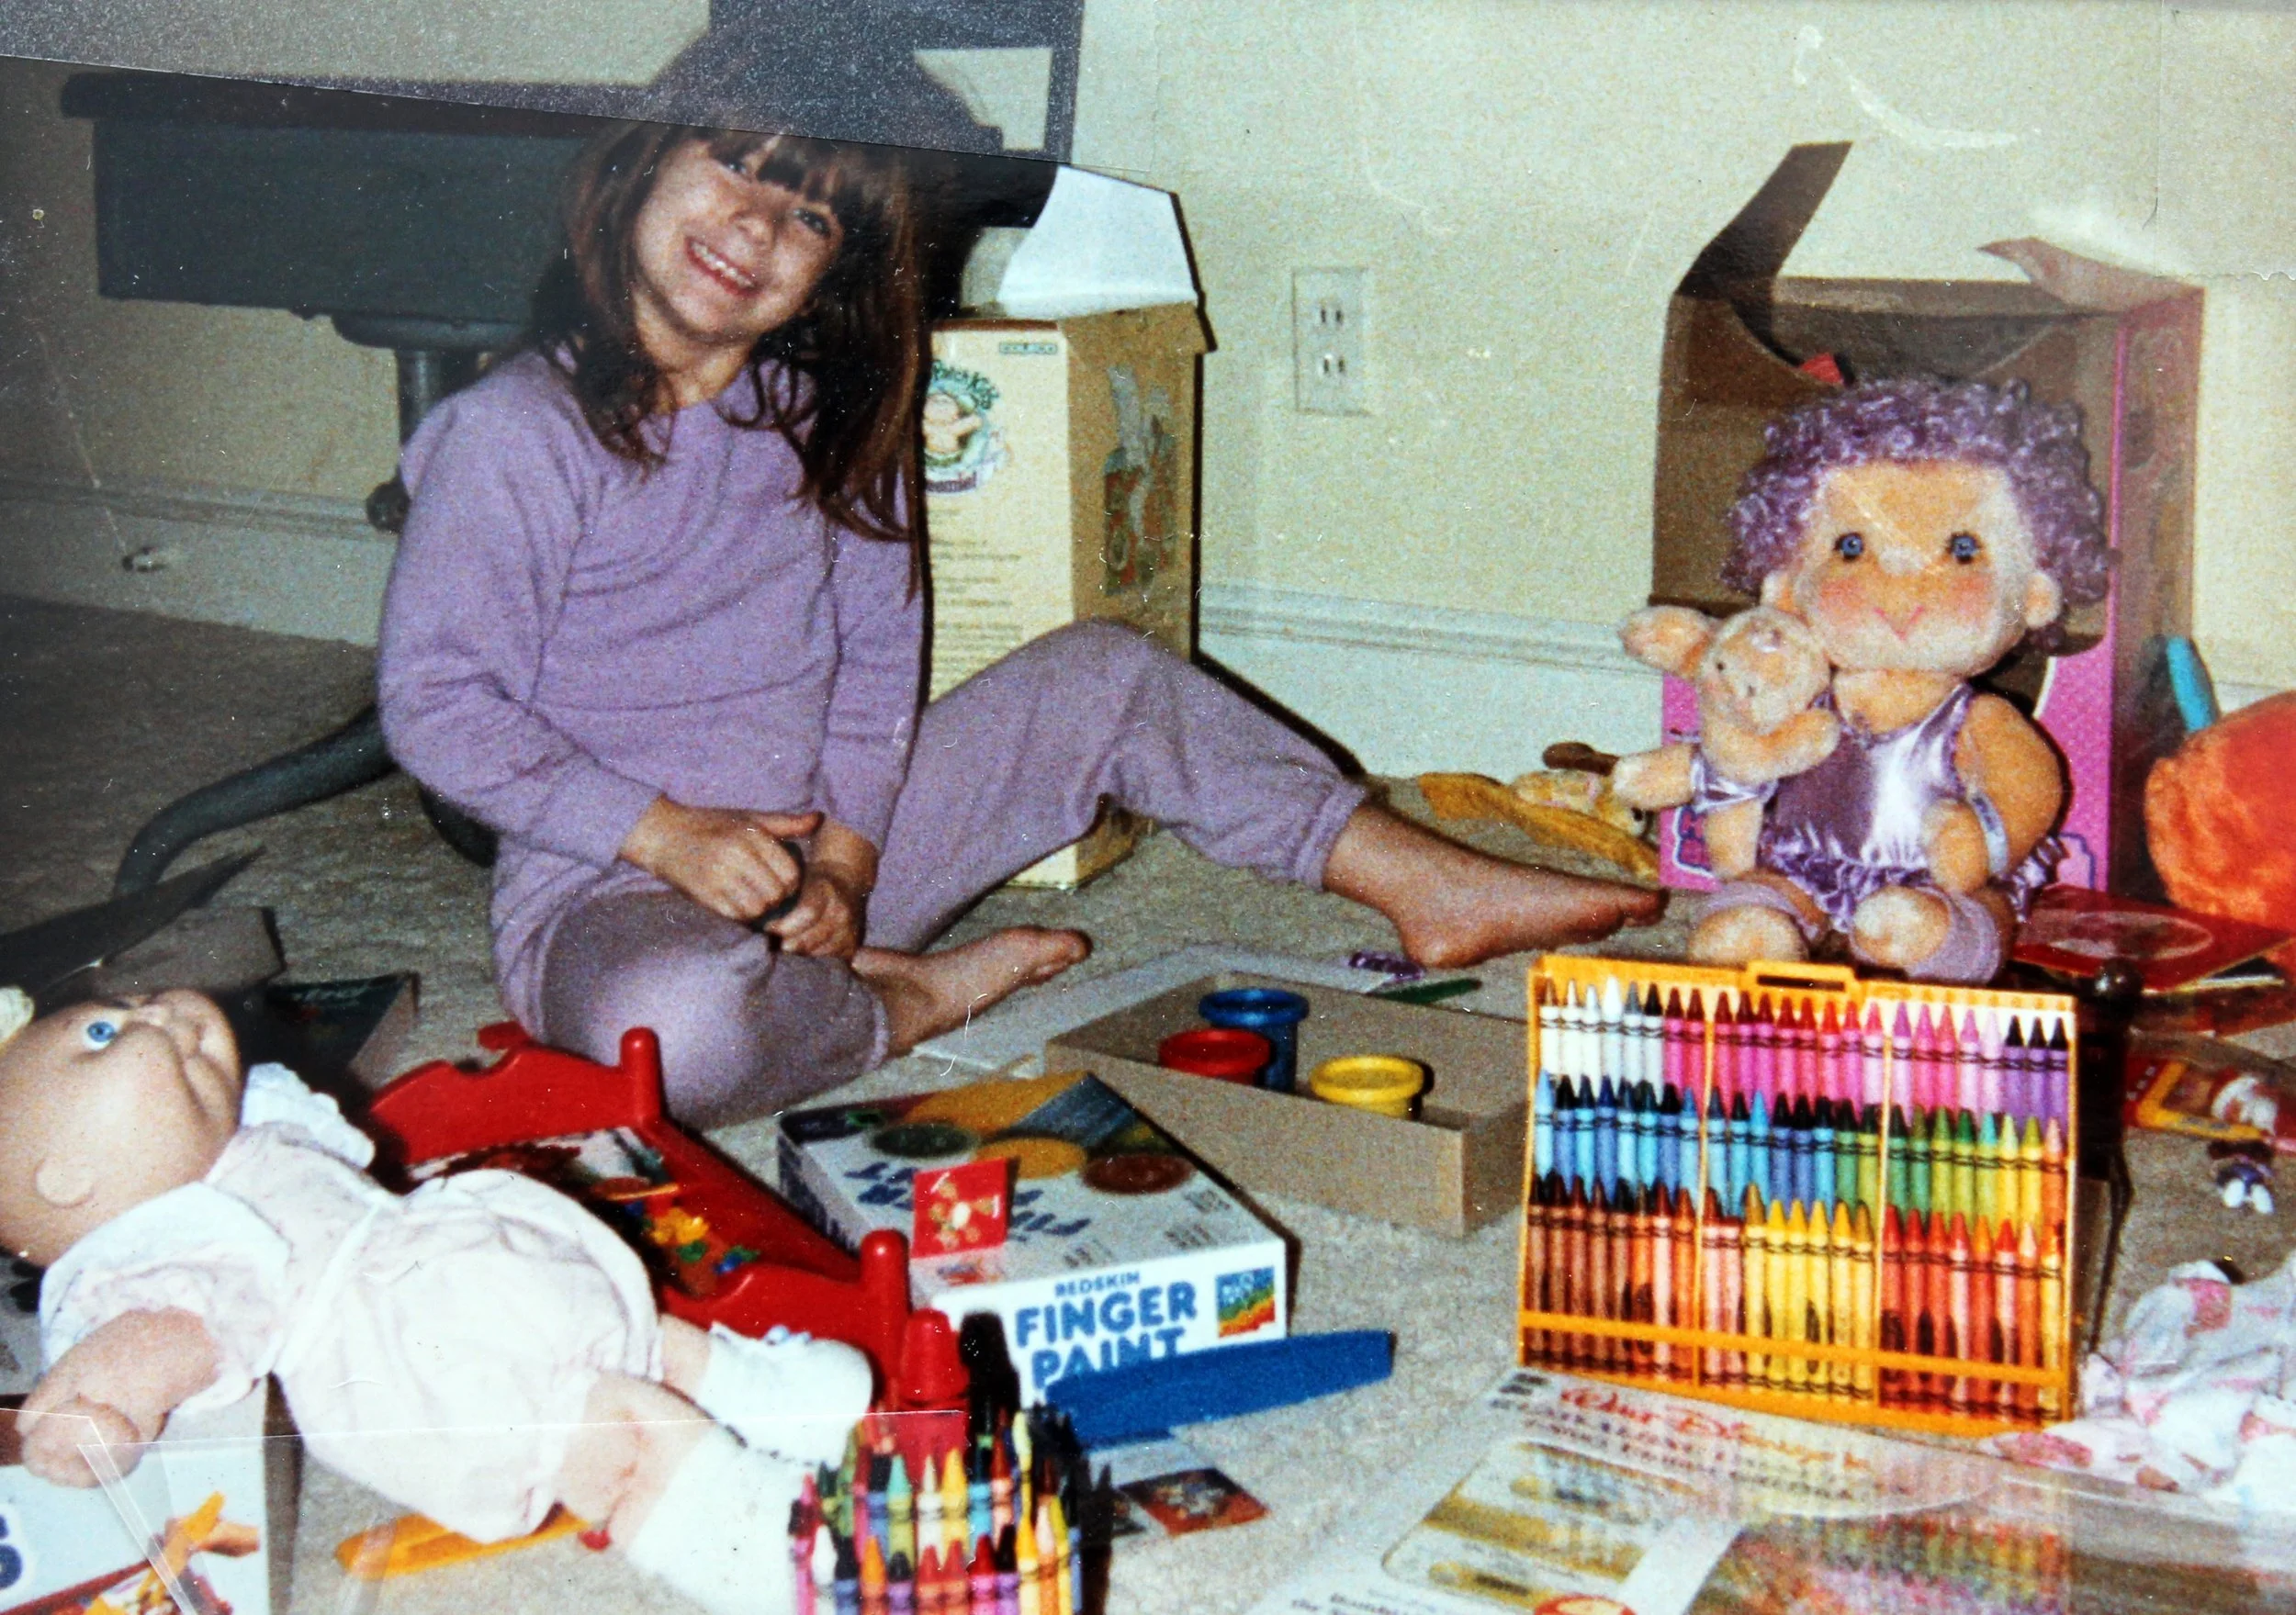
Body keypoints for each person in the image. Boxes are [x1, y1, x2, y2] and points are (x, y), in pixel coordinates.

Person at [377, 122, 1660, 1127]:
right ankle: (905, 1000)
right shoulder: (515, 433)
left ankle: (1413, 877)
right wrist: (662, 834)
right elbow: (436, 705)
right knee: (672, 1037)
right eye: (737, 169)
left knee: (1106, 670)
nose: (757, 224)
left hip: (827, 865)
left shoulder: (829, 420)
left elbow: (881, 667)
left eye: (811, 212)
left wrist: (847, 868)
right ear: (636, 170)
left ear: (840, 266)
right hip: (612, 892)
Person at [0, 986, 866, 1615]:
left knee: (623, 1326)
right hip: (405, 1353)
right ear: (67, 1178)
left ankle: (754, 1391)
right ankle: (739, 1538)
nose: (157, 1011)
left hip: (437, 1258)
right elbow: (150, 1345)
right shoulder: (166, 1257)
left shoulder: (245, 1129)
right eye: (107, 1032)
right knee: (598, 1422)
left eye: (131, 1001)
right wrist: (90, 1407)